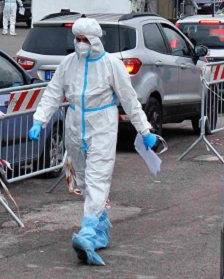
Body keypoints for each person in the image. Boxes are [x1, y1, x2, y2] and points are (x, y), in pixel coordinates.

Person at [28, 17, 158, 266]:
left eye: (84, 39)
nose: (80, 44)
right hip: (74, 124)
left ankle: (87, 231)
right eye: (77, 39)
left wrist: (144, 129)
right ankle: (100, 227)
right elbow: (53, 92)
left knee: (98, 178)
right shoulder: (68, 63)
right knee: (84, 180)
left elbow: (129, 99)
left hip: (102, 126)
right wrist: (39, 120)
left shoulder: (111, 64)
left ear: (95, 40)